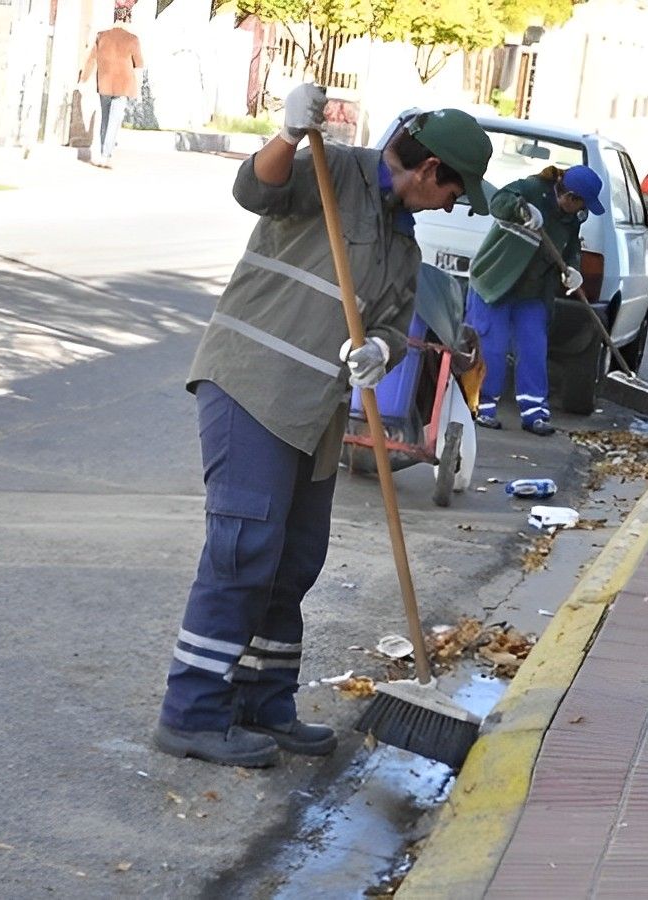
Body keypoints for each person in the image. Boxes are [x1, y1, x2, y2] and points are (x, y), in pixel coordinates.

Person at [152, 85, 493, 768]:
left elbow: (394, 325)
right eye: (457, 190)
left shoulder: (405, 246)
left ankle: (262, 702)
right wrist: (284, 132)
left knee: (295, 557)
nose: (456, 204)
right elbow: (256, 190)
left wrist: (382, 351)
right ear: (429, 171)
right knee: (244, 548)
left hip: (317, 410)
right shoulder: (331, 170)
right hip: (251, 384)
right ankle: (191, 710)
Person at [465, 164, 605, 435]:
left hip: (533, 292)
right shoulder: (530, 189)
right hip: (495, 283)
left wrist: (572, 268)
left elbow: (571, 246)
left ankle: (534, 413)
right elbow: (498, 203)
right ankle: (482, 407)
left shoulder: (571, 219)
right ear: (569, 197)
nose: (581, 211)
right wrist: (522, 209)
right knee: (491, 348)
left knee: (533, 349)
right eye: (581, 204)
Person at [79, 4, 144, 169]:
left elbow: (91, 59)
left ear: (115, 17)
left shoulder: (102, 36)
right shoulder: (132, 39)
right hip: (123, 86)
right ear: (128, 18)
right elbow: (138, 65)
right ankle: (105, 155)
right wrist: (139, 89)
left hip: (105, 84)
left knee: (105, 119)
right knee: (114, 121)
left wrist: (83, 78)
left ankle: (102, 153)